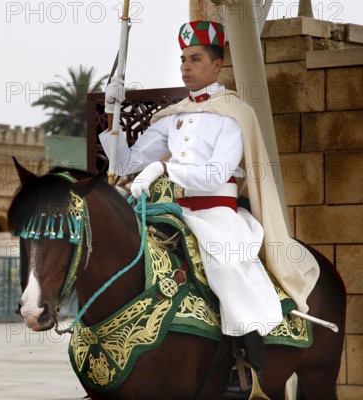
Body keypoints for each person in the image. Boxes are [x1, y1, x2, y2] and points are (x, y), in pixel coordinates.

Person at [100, 21, 320, 399]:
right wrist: (112, 113)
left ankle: (246, 363)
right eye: (183, 59)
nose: (185, 66)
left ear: (217, 66)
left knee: (226, 263)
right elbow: (125, 163)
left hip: (217, 211)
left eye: (195, 59)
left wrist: (167, 168)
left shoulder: (235, 113)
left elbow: (218, 173)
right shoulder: (174, 115)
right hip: (173, 209)